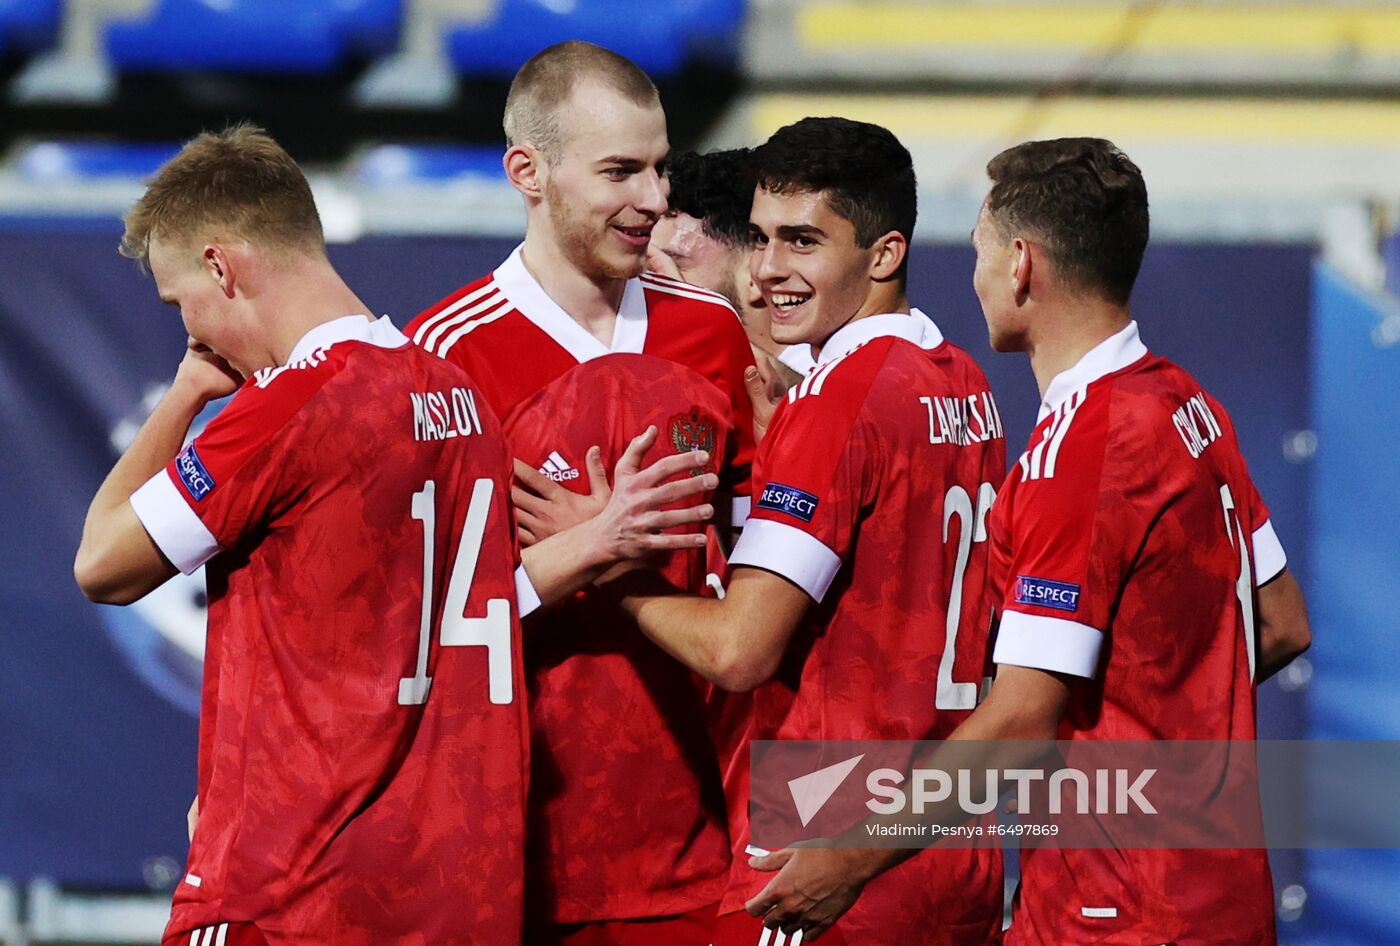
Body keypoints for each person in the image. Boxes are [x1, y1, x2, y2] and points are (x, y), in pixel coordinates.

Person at [745, 137, 1313, 944]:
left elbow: (1020, 721)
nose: (973, 277)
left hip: (1114, 910)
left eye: (979, 250)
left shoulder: (1078, 453)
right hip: (1222, 892)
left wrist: (848, 860)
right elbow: (1283, 622)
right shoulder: (1189, 404)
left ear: (1019, 265)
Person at [72, 125, 530, 946]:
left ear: (221, 264)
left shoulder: (287, 407)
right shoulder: (461, 398)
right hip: (450, 888)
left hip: (292, 890)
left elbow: (102, 563)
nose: (195, 332)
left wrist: (184, 396)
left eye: (183, 303)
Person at [599, 116, 1008, 945]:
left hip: (829, 848)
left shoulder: (840, 397)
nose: (769, 270)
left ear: (884, 253)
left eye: (803, 241)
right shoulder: (963, 383)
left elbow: (740, 650)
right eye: (758, 238)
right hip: (952, 845)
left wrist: (609, 567)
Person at [406, 41, 758, 945]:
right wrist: (583, 555)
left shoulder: (714, 332)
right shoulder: (445, 356)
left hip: (696, 847)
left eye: (659, 168)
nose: (653, 199)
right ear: (528, 170)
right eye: (619, 171)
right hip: (510, 849)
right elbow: (415, 628)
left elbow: (762, 575)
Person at [648, 147, 814, 390]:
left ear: (755, 273)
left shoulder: (841, 369)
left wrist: (691, 327)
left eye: (673, 264)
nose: (651, 285)